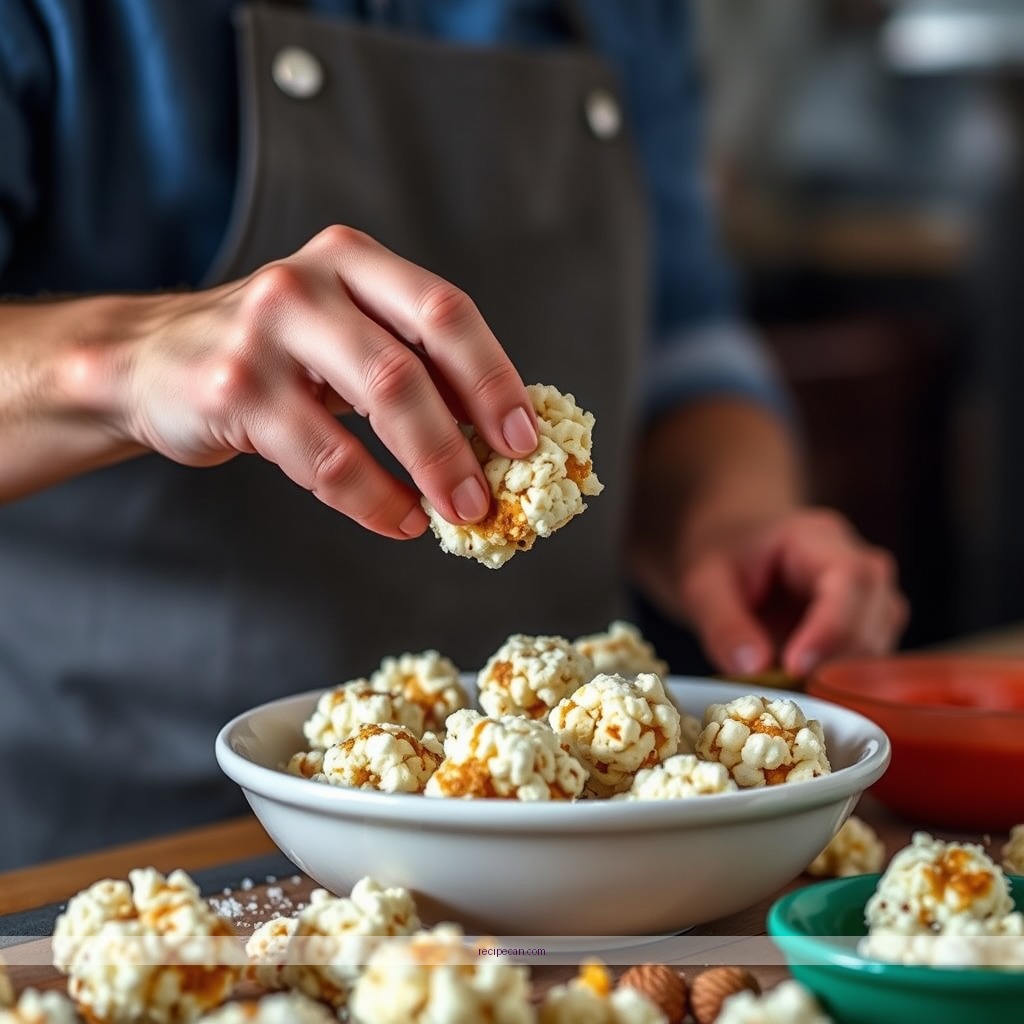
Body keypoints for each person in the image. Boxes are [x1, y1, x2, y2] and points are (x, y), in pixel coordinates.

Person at [0, 0, 906, 870]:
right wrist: (111, 366)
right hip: (116, 841)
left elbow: (682, 333)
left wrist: (726, 518)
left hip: (579, 825)